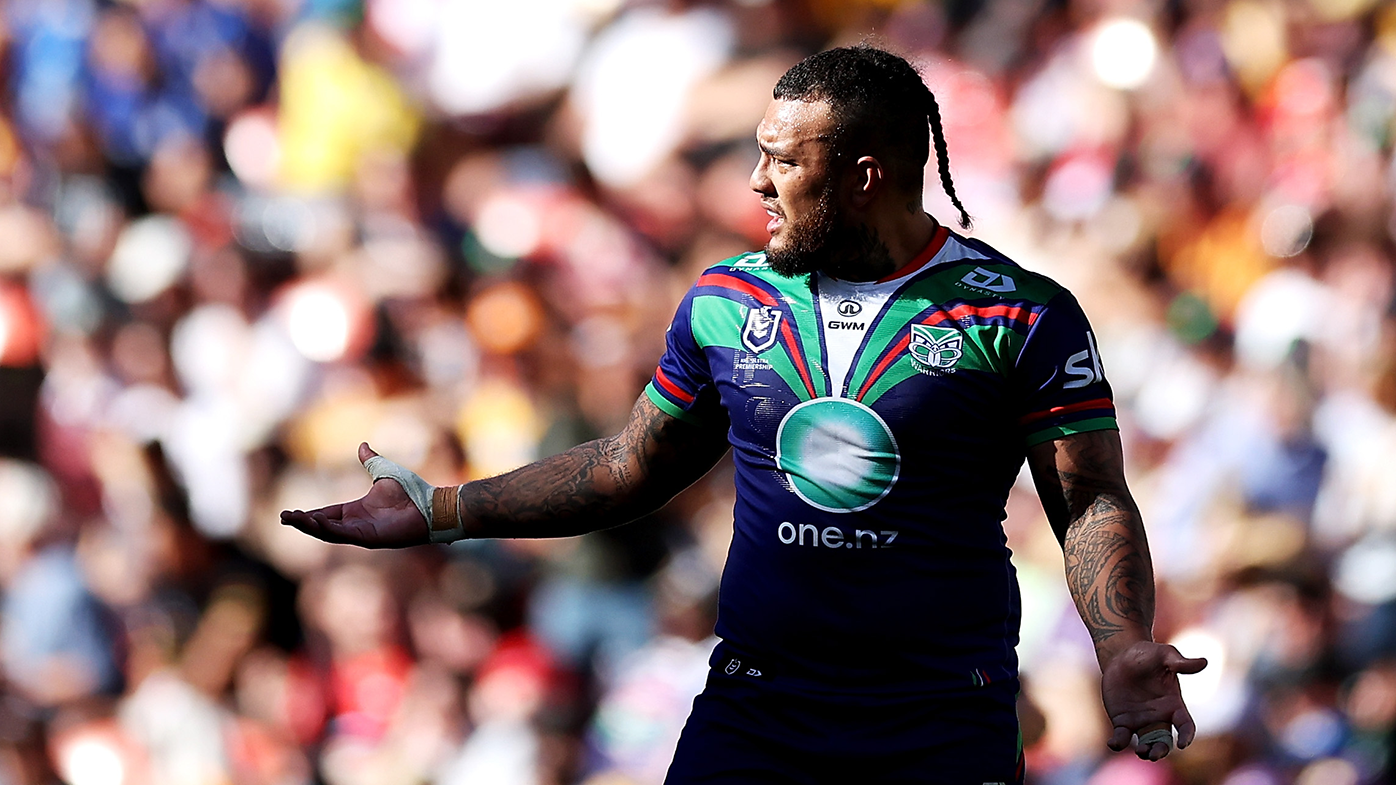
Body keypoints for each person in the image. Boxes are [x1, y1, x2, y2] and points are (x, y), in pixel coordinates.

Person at [282, 45, 1207, 783]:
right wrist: (445, 509)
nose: (756, 183)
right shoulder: (725, 303)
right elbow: (627, 465)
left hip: (939, 714)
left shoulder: (1019, 312)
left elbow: (1087, 500)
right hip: (758, 708)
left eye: (782, 161)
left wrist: (1122, 643)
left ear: (865, 177)